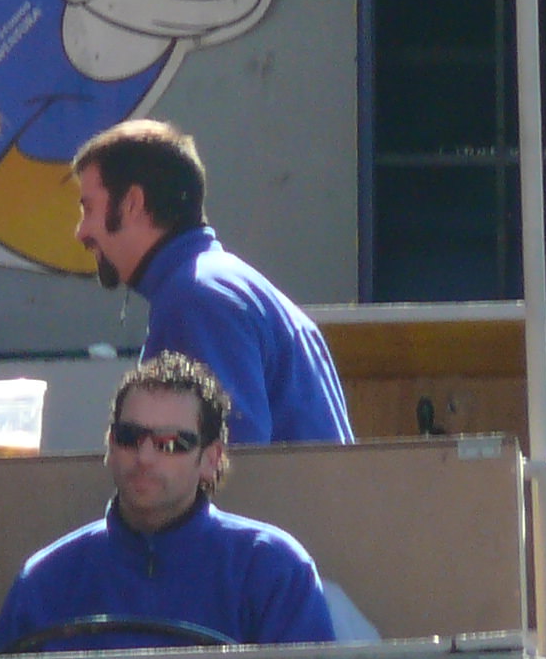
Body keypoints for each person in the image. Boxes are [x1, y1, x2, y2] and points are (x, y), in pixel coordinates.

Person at [0, 353, 338, 654]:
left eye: (170, 443)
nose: (145, 457)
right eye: (129, 437)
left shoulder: (274, 571)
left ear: (211, 459)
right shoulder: (45, 580)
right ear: (110, 446)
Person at [70, 118, 353, 446]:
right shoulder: (219, 286)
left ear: (132, 203)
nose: (81, 232)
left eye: (89, 209)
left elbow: (230, 460)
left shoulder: (196, 300)